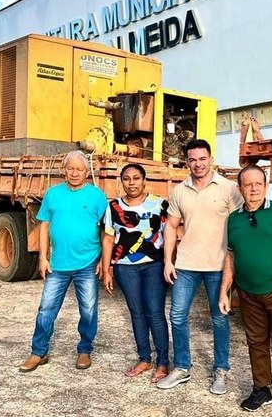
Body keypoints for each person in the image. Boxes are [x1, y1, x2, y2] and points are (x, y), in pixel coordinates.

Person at [158, 139, 243, 393]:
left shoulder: (229, 189)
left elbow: (240, 226)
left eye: (202, 159)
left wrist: (235, 263)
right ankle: (182, 367)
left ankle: (221, 369)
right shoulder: (179, 191)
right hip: (186, 264)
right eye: (193, 160)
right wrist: (168, 261)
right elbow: (170, 227)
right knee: (177, 316)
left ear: (211, 159)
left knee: (220, 318)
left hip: (219, 265)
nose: (198, 164)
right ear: (187, 162)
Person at [220, 164, 272, 417]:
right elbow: (230, 257)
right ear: (240, 188)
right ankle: (262, 389)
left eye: (259, 184)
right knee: (256, 342)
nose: (254, 189)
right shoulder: (233, 219)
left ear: (266, 187)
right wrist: (225, 291)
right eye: (248, 184)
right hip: (247, 293)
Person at [19, 150, 107, 372]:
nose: (74, 173)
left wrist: (104, 261)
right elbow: (44, 225)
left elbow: (106, 231)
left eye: (79, 169)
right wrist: (43, 257)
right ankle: (38, 352)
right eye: (70, 168)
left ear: (86, 172)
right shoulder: (53, 194)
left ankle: (85, 349)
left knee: (88, 309)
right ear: (64, 170)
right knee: (46, 308)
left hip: (88, 262)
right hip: (57, 264)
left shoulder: (97, 196)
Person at [102, 163, 170, 384]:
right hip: (125, 266)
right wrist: (107, 269)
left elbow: (170, 235)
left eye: (136, 178)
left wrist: (171, 263)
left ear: (144, 180)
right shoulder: (113, 207)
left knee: (155, 312)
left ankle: (163, 362)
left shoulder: (160, 204)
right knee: (136, 311)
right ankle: (144, 359)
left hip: (154, 265)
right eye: (127, 179)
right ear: (121, 181)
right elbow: (109, 239)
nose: (131, 183)